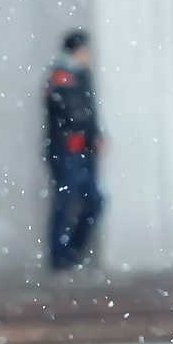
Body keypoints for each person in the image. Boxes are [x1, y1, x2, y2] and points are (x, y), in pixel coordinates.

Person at [45, 30, 105, 271]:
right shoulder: (61, 77)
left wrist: (95, 136)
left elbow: (89, 112)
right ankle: (60, 257)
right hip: (66, 151)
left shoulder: (82, 76)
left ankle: (70, 253)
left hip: (83, 152)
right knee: (65, 202)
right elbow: (71, 113)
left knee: (94, 201)